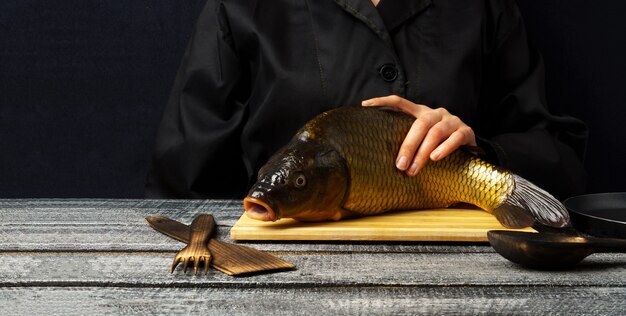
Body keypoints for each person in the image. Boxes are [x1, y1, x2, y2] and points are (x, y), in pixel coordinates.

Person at [145, 0, 587, 200]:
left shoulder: (484, 8)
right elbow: (182, 182)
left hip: (462, 275)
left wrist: (481, 150)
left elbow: (561, 159)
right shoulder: (239, 7)